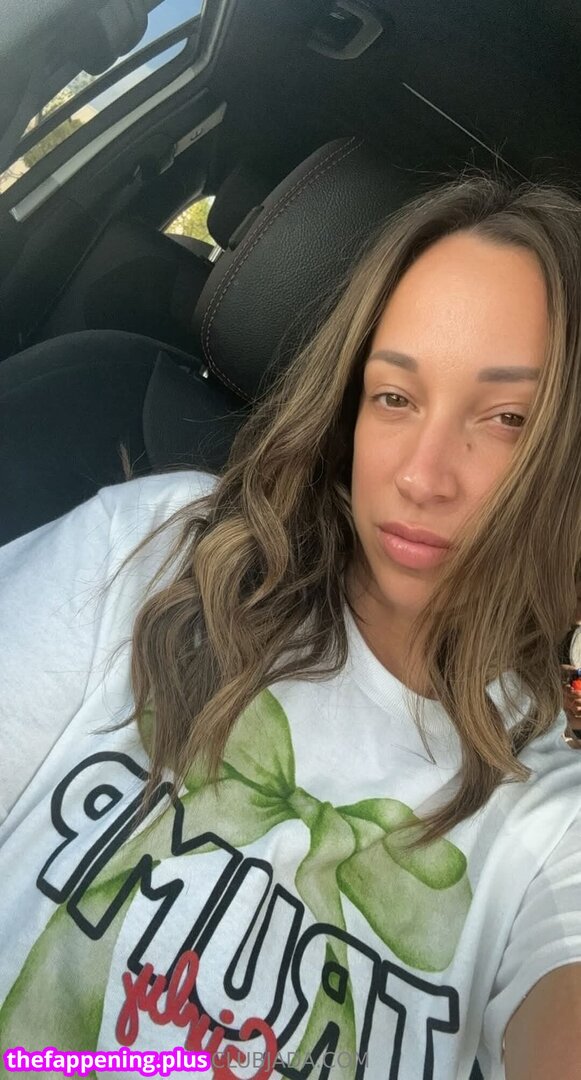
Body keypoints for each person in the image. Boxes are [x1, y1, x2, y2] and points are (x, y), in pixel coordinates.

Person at [1, 173, 581, 1080]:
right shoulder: (158, 554)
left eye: (505, 419)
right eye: (394, 397)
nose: (422, 476)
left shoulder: (546, 801)